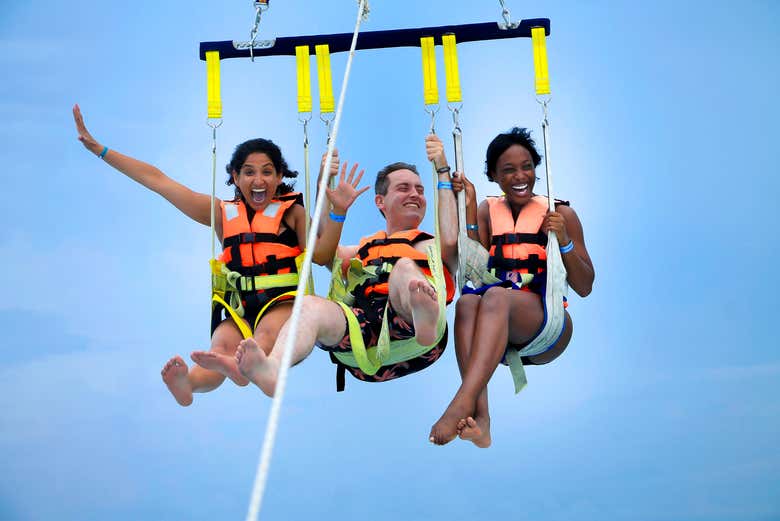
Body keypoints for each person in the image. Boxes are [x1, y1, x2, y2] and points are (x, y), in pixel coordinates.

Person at [72, 104, 367, 406]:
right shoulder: (222, 213)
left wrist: (338, 211)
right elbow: (158, 181)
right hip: (239, 309)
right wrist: (100, 149)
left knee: (263, 338)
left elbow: (320, 255)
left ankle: (251, 368)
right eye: (249, 172)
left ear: (280, 177)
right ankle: (189, 384)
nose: (258, 180)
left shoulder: (292, 213)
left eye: (267, 172)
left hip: (281, 304)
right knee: (221, 347)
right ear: (235, 178)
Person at [234, 134, 459, 398]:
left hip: (417, 338)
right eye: (404, 188)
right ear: (380, 202)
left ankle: (423, 315)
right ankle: (272, 369)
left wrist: (442, 170)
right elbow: (322, 249)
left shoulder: (434, 247)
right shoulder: (361, 251)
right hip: (361, 345)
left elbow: (452, 236)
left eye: (420, 190)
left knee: (406, 269)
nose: (415, 195)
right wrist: (324, 188)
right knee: (308, 305)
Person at [428, 127, 595, 447]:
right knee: (467, 302)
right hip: (500, 333)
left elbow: (585, 286)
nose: (520, 175)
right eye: (508, 170)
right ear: (494, 175)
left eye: (527, 166)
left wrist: (564, 241)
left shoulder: (560, 213)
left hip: (549, 325)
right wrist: (470, 203)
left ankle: (463, 400)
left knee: (494, 298)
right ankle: (482, 419)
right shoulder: (489, 212)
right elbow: (474, 265)